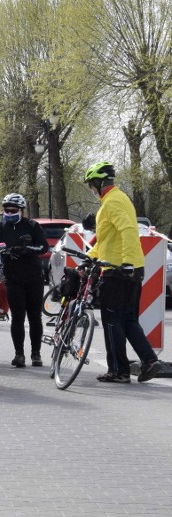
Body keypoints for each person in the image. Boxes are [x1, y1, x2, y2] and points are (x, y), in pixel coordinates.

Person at [83, 162, 162, 383]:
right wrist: (89, 258)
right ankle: (149, 360)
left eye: (92, 185)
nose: (92, 189)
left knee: (111, 321)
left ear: (99, 183)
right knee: (127, 319)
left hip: (117, 269)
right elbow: (108, 239)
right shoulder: (117, 199)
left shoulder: (112, 202)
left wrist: (125, 262)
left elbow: (128, 230)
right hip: (129, 267)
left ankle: (119, 370)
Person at [0, 193, 48, 368]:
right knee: (17, 317)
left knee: (35, 316)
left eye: (14, 210)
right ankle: (19, 354)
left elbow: (43, 247)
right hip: (13, 278)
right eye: (7, 210)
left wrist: (26, 249)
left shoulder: (32, 226)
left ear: (21, 211)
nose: (10, 213)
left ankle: (36, 353)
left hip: (34, 277)